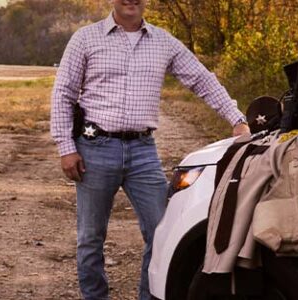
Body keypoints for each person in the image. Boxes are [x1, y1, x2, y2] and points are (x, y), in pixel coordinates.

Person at [50, 0, 250, 299]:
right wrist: (66, 147)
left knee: (162, 232)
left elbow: (201, 79)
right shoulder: (86, 38)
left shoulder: (163, 41)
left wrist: (237, 120)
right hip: (94, 149)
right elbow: (63, 93)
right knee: (90, 238)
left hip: (143, 151)